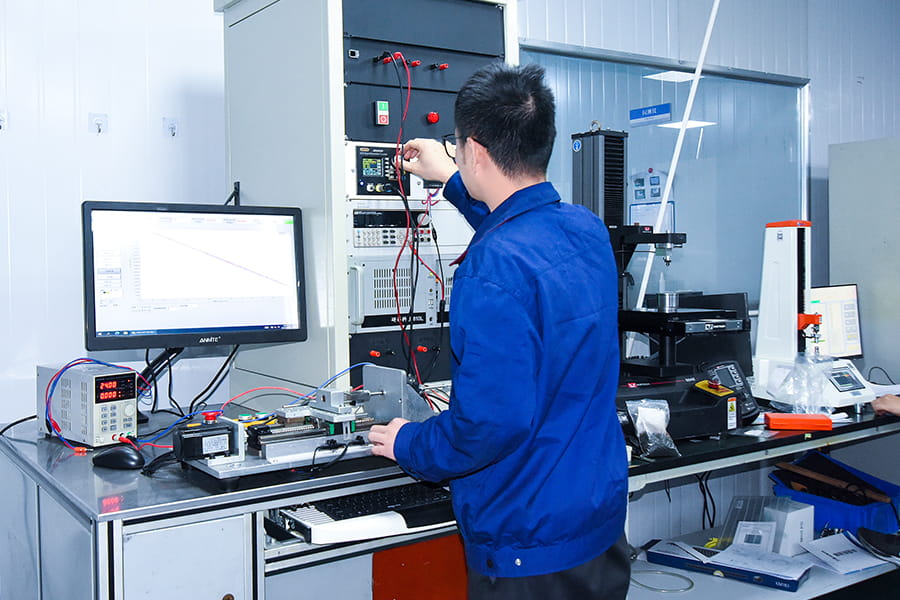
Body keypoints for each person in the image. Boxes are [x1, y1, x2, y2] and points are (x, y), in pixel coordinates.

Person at [368, 63, 629, 599]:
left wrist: (410, 441)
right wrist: (450, 175)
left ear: (476, 151)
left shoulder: (491, 267)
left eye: (458, 145)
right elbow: (519, 221)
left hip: (528, 549)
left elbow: (489, 426)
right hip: (597, 529)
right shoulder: (585, 229)